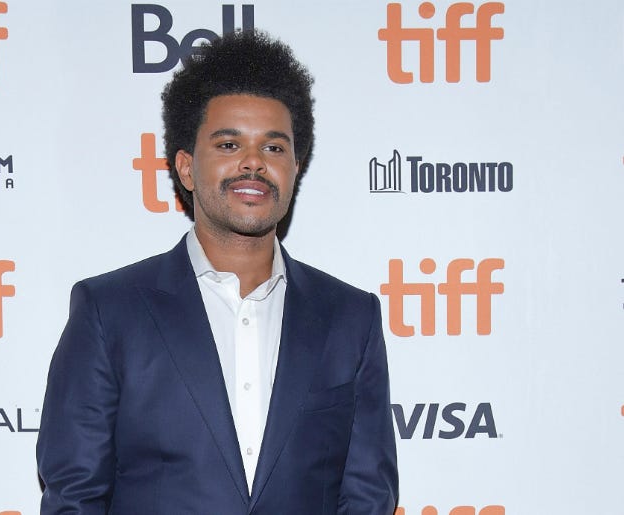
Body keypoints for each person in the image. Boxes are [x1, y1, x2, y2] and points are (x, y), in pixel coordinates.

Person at [36, 30, 398, 515]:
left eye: (273, 149)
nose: (253, 163)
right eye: (229, 144)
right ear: (186, 168)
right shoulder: (109, 312)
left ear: (296, 166)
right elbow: (75, 498)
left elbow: (368, 497)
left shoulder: (350, 317)